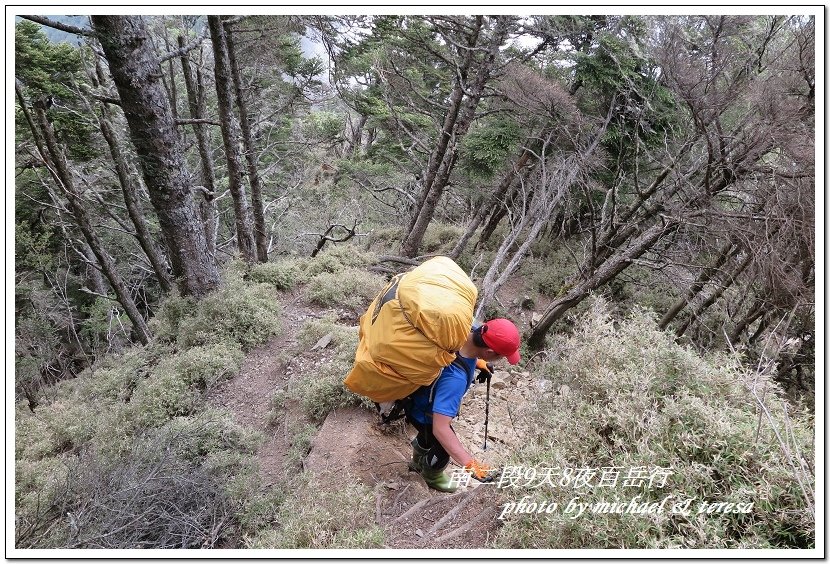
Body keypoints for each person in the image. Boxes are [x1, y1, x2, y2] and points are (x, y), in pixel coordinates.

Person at [403, 318, 521, 493]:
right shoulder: (455, 380)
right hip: (422, 412)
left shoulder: (460, 331)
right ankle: (431, 475)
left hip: (415, 399)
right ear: (489, 351)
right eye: (501, 357)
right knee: (443, 448)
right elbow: (440, 429)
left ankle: (416, 462)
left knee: (428, 437)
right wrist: (470, 464)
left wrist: (479, 363)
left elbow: (462, 354)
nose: (501, 360)